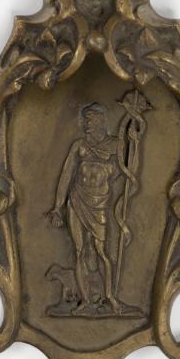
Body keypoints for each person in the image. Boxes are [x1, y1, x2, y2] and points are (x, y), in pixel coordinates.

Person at [48, 102, 123, 313]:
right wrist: (58, 206)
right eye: (85, 119)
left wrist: (135, 137)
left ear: (102, 120)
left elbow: (127, 171)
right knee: (79, 250)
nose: (85, 123)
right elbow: (66, 175)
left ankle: (110, 297)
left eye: (90, 119)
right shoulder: (79, 145)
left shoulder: (116, 145)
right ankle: (85, 300)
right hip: (77, 200)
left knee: (101, 251)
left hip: (99, 203)